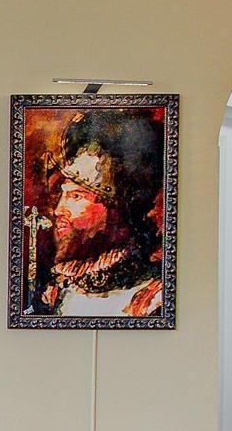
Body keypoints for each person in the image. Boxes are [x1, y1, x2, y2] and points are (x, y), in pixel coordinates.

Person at [32, 116, 166, 319]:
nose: (59, 209)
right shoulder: (54, 292)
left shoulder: (153, 297)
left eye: (76, 196)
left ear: (116, 212)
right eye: (62, 194)